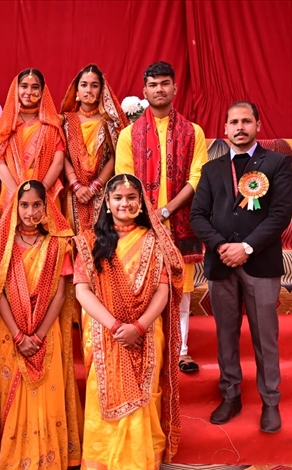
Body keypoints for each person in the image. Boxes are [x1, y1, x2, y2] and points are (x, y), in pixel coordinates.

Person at [74, 174, 183, 470]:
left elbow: (163, 290)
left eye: (131, 197)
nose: (125, 203)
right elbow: (81, 290)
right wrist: (114, 325)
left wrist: (138, 326)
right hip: (104, 336)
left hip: (145, 335)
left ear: (141, 202)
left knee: (143, 404)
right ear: (107, 203)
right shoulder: (90, 241)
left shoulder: (155, 240)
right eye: (118, 198)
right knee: (102, 403)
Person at [189, 101, 292, 433]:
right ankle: (230, 395)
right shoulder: (212, 169)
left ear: (257, 125)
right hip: (222, 263)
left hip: (260, 262)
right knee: (226, 335)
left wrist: (246, 247)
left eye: (246, 121)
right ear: (225, 129)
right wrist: (222, 246)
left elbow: (280, 214)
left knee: (265, 337)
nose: (239, 127)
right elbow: (197, 216)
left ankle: (270, 401)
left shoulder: (276, 163)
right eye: (233, 122)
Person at [0, 180, 82, 470]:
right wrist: (18, 334)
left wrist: (38, 334)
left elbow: (60, 294)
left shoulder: (57, 245)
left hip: (46, 332)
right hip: (10, 334)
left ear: (46, 207)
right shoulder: (2, 244)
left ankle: (45, 463)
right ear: (15, 207)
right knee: (14, 399)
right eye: (24, 205)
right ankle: (14, 463)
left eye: (36, 205)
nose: (30, 212)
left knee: (45, 396)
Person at [115, 61, 207, 374]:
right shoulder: (129, 134)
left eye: (165, 83)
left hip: (180, 224)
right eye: (153, 85)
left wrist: (166, 211)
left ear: (175, 88)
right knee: (143, 288)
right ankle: (147, 346)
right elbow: (124, 180)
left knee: (181, 292)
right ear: (144, 91)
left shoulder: (193, 132)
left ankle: (181, 351)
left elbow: (197, 178)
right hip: (141, 225)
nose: (159, 89)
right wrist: (148, 216)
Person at [60, 64, 128, 233]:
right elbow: (61, 155)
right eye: (84, 85)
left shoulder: (110, 122)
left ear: (101, 90)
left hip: (103, 191)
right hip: (73, 192)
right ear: (76, 90)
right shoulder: (65, 121)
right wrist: (76, 185)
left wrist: (95, 186)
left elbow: (117, 156)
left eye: (94, 85)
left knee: (101, 238)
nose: (88, 90)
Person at [0, 68, 65, 214]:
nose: (29, 92)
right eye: (24, 86)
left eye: (35, 87)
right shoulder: (8, 124)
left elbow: (58, 162)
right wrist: (17, 193)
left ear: (42, 92)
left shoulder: (51, 123)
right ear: (16, 89)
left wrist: (41, 191)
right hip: (12, 191)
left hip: (45, 191)